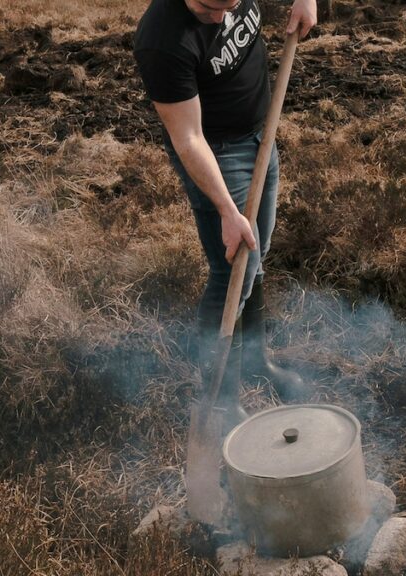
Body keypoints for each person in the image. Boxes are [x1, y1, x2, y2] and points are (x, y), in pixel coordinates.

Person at [133, 0, 317, 427]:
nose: (221, 17)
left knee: (257, 255)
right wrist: (228, 211)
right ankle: (222, 400)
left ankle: (257, 362)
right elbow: (189, 139)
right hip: (219, 154)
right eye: (209, 8)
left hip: (261, 133)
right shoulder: (162, 40)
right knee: (232, 266)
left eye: (230, 6)